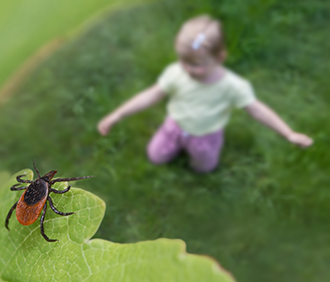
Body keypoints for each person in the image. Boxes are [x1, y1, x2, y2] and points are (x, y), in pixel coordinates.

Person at [97, 15, 313, 173]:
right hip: (174, 127)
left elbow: (257, 110)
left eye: (196, 64)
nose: (188, 69)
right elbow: (151, 95)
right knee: (155, 157)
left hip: (206, 135)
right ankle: (172, 147)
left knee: (204, 168)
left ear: (220, 57)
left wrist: (288, 133)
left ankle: (199, 161)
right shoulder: (176, 73)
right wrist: (118, 114)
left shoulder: (233, 86)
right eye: (184, 61)